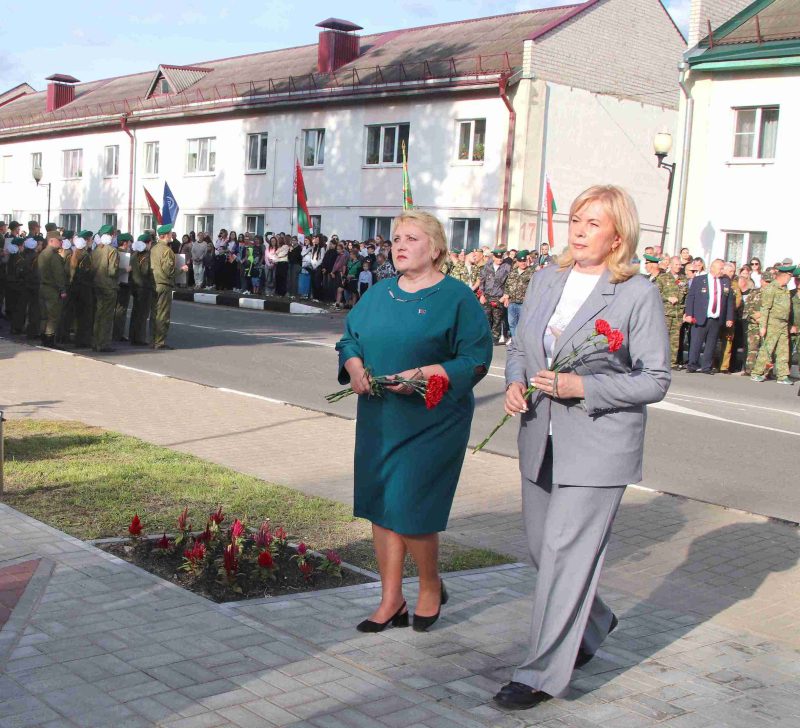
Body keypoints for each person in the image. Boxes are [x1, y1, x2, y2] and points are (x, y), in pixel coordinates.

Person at [496, 185, 670, 711]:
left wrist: (584, 388)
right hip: (539, 437)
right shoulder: (548, 277)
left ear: (618, 234)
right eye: (576, 219)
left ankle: (541, 674)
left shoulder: (636, 292)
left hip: (598, 446)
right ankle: (595, 621)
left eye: (593, 223)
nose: (579, 229)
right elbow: (522, 346)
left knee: (564, 553)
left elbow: (655, 379)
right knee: (540, 548)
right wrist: (514, 382)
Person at [335, 210, 492, 635]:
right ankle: (390, 599)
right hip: (380, 416)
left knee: (411, 506)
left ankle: (429, 585)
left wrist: (423, 375)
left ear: (436, 248)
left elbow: (475, 360)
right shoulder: (380, 293)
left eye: (411, 238)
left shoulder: (457, 298)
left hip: (433, 419)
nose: (399, 245)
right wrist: (353, 366)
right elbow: (350, 337)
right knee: (381, 504)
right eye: (395, 239)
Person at [684, 259, 735, 374]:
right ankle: (692, 364)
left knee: (711, 343)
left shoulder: (725, 281)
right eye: (720, 268)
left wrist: (729, 317)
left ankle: (706, 366)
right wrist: (689, 314)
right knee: (696, 342)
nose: (722, 271)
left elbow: (729, 301)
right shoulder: (699, 280)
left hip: (716, 317)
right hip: (700, 315)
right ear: (712, 268)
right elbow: (691, 297)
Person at [750, 264, 796, 384]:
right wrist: (763, 326)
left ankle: (782, 375)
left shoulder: (784, 288)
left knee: (783, 350)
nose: (790, 279)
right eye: (790, 277)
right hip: (773, 323)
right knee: (767, 349)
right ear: (785, 275)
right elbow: (765, 308)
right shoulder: (771, 288)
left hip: (783, 324)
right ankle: (757, 372)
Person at [151, 224, 188, 350]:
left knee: (155, 313)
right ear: (166, 235)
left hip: (154, 283)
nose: (172, 234)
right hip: (164, 284)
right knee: (163, 314)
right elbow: (169, 271)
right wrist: (182, 270)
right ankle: (159, 342)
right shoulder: (167, 250)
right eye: (171, 233)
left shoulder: (154, 248)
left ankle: (153, 338)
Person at [37, 231, 69, 349]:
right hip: (52, 289)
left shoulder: (42, 254)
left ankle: (43, 338)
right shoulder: (54, 256)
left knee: (44, 315)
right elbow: (59, 274)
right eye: (59, 240)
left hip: (43, 287)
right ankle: (49, 340)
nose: (61, 242)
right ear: (51, 241)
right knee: (53, 316)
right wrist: (63, 290)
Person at [655, 256, 687, 368]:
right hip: (666, 312)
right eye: (676, 265)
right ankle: (660, 361)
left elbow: (686, 295)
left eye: (680, 265)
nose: (678, 267)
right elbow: (656, 293)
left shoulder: (683, 279)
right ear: (671, 265)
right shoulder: (663, 278)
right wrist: (667, 298)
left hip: (678, 313)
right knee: (663, 337)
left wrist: (685, 312)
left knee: (675, 339)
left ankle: (672, 362)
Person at [91, 233, 120, 352]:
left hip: (97, 283)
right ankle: (103, 344)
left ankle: (95, 341)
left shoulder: (96, 249)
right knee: (107, 316)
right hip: (108, 285)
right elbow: (113, 271)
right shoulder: (112, 250)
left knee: (99, 313)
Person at [479, 249, 512, 344]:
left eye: (501, 257)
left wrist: (506, 296)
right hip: (487, 296)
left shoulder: (507, 267)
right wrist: (481, 295)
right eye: (497, 257)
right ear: (493, 257)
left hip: (499, 296)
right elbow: (482, 281)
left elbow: (509, 283)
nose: (499, 259)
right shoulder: (487, 267)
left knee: (497, 319)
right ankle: (485, 336)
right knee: (486, 317)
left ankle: (494, 338)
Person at [70, 231, 95, 349]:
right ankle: (83, 340)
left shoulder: (75, 253)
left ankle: (78, 338)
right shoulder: (84, 255)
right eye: (90, 240)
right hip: (84, 288)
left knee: (78, 315)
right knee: (85, 315)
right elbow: (86, 273)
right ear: (86, 241)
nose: (91, 242)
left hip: (76, 287)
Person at [502, 251, 533, 344]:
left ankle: (522, 342)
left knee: (522, 324)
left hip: (524, 303)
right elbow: (507, 286)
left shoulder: (531, 272)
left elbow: (535, 287)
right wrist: (506, 297)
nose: (522, 263)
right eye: (520, 261)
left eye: (524, 261)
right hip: (512, 302)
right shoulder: (512, 273)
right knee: (512, 324)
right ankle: (516, 341)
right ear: (517, 262)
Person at [129, 233, 153, 346]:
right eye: (150, 243)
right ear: (147, 243)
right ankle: (140, 338)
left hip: (134, 286)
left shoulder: (134, 255)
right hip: (144, 287)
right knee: (143, 314)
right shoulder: (146, 256)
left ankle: (132, 336)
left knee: (135, 312)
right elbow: (145, 271)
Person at [718, 261, 742, 373]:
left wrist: (731, 311)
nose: (732, 273)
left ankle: (724, 366)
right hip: (717, 316)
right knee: (713, 340)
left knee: (728, 341)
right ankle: (712, 362)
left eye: (733, 271)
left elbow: (738, 300)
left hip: (730, 316)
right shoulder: (718, 281)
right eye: (730, 271)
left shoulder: (735, 285)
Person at [112, 234, 134, 342]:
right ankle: (117, 334)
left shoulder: (117, 252)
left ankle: (117, 333)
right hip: (122, 285)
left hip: (119, 284)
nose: (130, 244)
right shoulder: (123, 254)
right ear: (125, 243)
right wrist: (126, 270)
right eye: (129, 242)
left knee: (118, 310)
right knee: (120, 311)